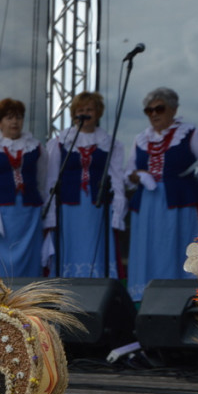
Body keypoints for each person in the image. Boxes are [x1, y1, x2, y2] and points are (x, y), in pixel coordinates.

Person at [125, 87, 198, 301]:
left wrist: (188, 185)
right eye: (149, 110)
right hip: (147, 206)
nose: (154, 114)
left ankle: (181, 300)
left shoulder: (192, 133)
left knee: (179, 249)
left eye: (159, 108)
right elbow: (128, 172)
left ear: (173, 109)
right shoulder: (140, 139)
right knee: (148, 251)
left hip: (179, 205)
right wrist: (137, 175)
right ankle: (146, 303)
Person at [44, 92, 126, 278]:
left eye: (89, 109)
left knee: (95, 244)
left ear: (98, 113)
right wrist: (50, 214)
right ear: (74, 114)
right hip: (68, 206)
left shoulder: (109, 142)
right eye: (80, 110)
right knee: (70, 245)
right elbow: (51, 178)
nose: (85, 114)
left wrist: (118, 208)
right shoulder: (61, 142)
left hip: (97, 206)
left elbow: (116, 177)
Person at [0, 98, 51, 278]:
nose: (15, 122)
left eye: (19, 117)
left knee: (27, 261)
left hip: (27, 215)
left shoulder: (36, 148)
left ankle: (26, 298)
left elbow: (42, 181)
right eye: (9, 118)